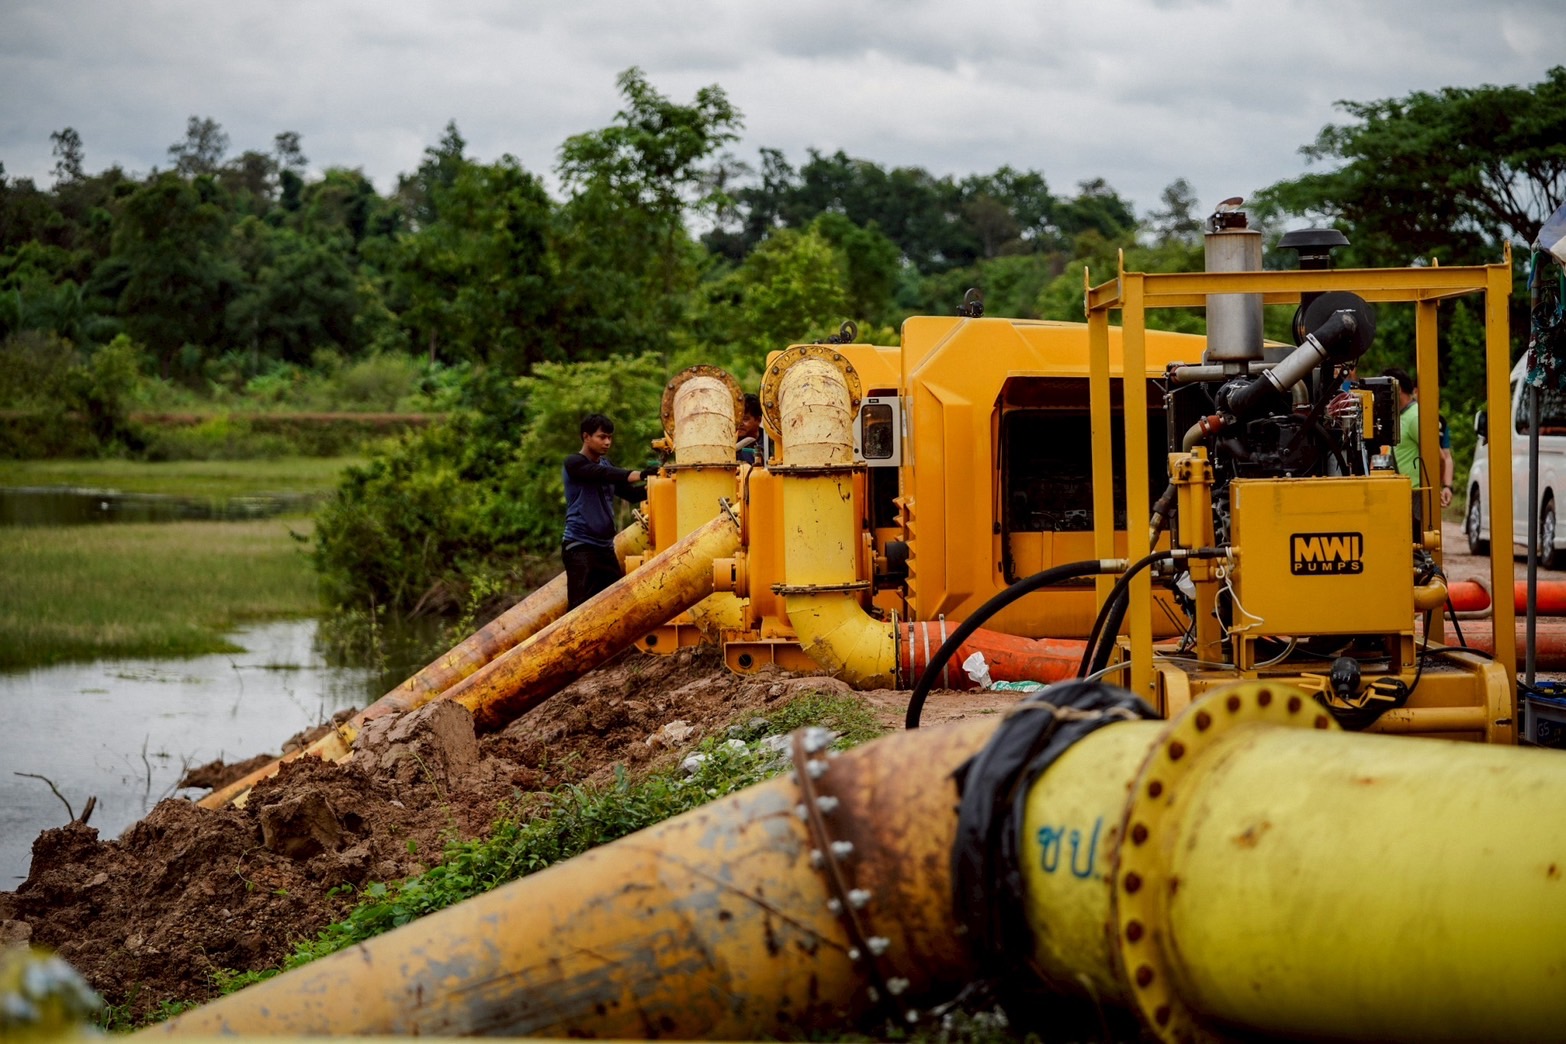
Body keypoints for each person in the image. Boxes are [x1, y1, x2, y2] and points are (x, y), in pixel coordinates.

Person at [562, 414, 648, 609]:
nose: (607, 442)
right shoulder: (574, 463)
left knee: (617, 606)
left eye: (610, 437)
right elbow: (599, 474)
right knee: (579, 610)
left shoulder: (606, 465)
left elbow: (631, 495)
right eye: (602, 437)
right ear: (586, 437)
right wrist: (638, 474)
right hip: (580, 547)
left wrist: (661, 482)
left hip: (605, 549)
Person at [736, 393, 763, 464]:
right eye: (737, 418)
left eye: (745, 419)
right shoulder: (728, 442)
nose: (740, 423)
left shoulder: (771, 444)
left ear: (759, 420)